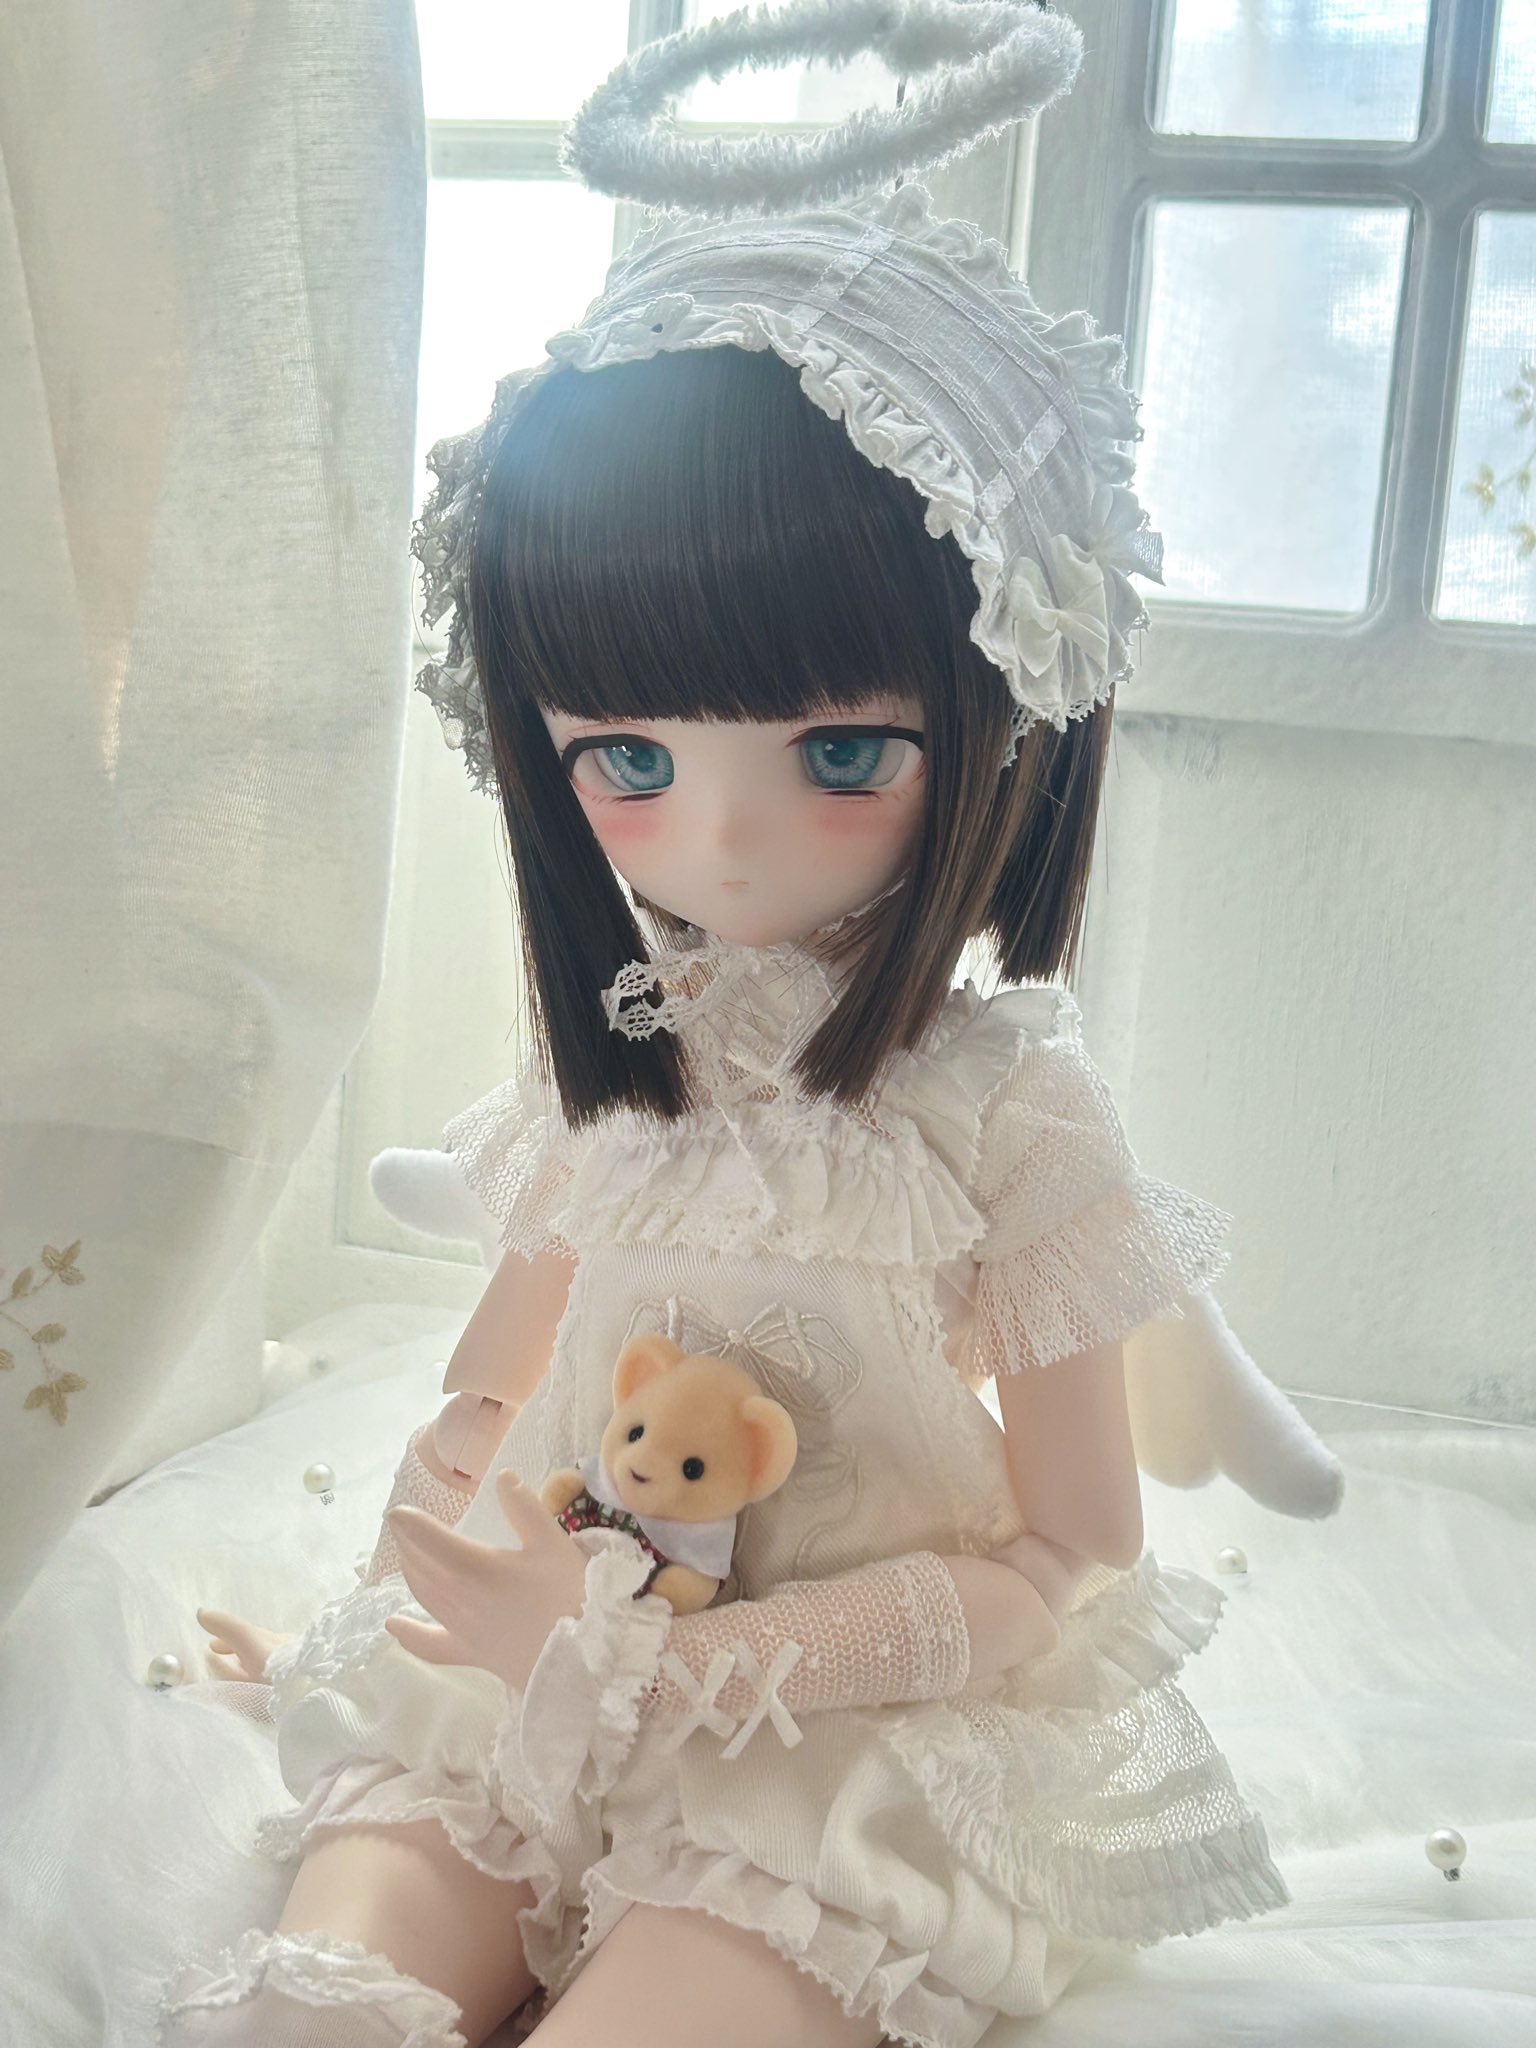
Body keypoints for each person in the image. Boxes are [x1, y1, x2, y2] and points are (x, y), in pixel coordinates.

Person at [162, 11, 1343, 2044]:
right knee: (314, 2002)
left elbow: (1066, 1555)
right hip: (516, 1667)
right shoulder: (625, 1043)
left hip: (833, 1737)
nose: (715, 838)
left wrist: (698, 1673)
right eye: (623, 756)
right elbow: (488, 1392)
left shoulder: (1004, 1106)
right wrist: (406, 1596)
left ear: (1006, 723)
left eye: (840, 749)